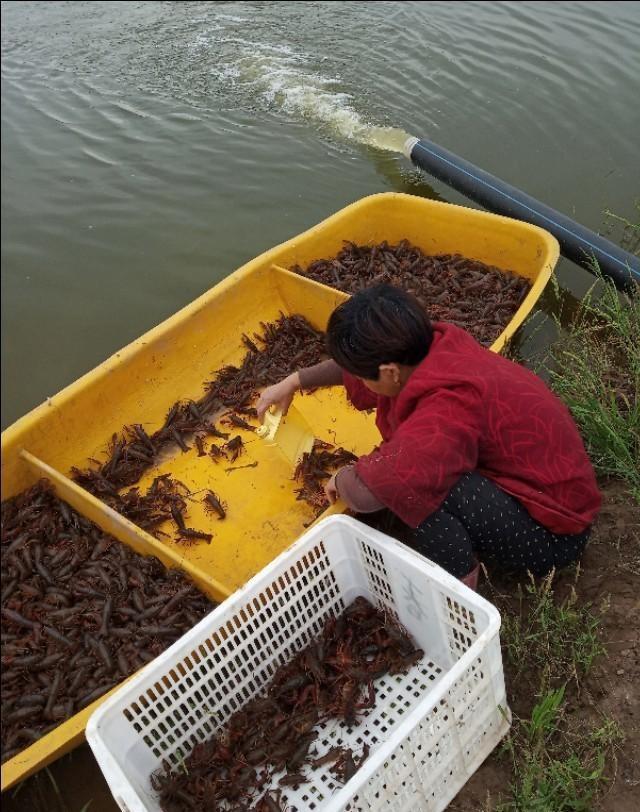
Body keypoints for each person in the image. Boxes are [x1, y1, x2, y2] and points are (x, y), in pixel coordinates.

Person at [256, 285, 601, 589]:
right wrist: (294, 381)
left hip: (555, 534)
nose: (357, 382)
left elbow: (365, 493)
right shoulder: (433, 345)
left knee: (421, 488)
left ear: (389, 372)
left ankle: (458, 592)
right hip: (547, 484)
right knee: (418, 470)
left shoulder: (447, 407)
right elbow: (365, 368)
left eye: (362, 378)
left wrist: (343, 477)